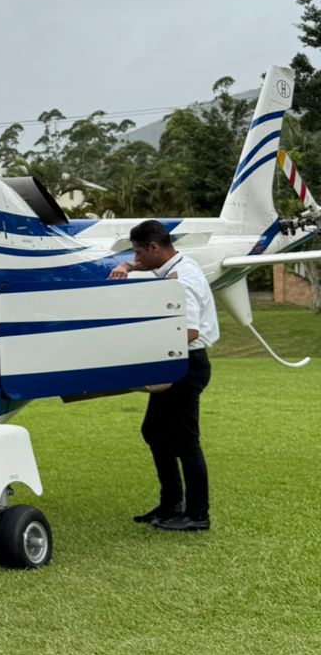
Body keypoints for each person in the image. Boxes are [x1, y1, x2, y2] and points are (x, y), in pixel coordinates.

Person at [109, 218, 219, 532]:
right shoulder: (176, 264)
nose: (136, 258)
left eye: (138, 252)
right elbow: (148, 265)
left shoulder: (182, 279)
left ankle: (197, 515)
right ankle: (171, 504)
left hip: (186, 363)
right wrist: (128, 266)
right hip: (177, 361)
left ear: (155, 247)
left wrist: (141, 350)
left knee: (186, 441)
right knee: (155, 432)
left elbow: (189, 331)